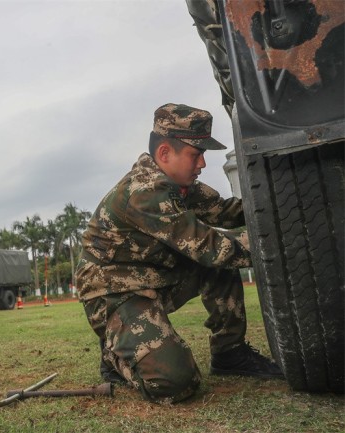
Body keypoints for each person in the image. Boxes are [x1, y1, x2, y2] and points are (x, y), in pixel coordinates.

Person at [76, 103, 283, 404]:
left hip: (154, 277)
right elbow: (210, 248)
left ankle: (230, 353)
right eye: (196, 154)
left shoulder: (183, 187)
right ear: (164, 154)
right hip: (113, 295)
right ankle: (114, 356)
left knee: (217, 266)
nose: (202, 164)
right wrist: (277, 241)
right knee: (175, 384)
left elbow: (228, 213)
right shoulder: (144, 192)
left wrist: (285, 206)